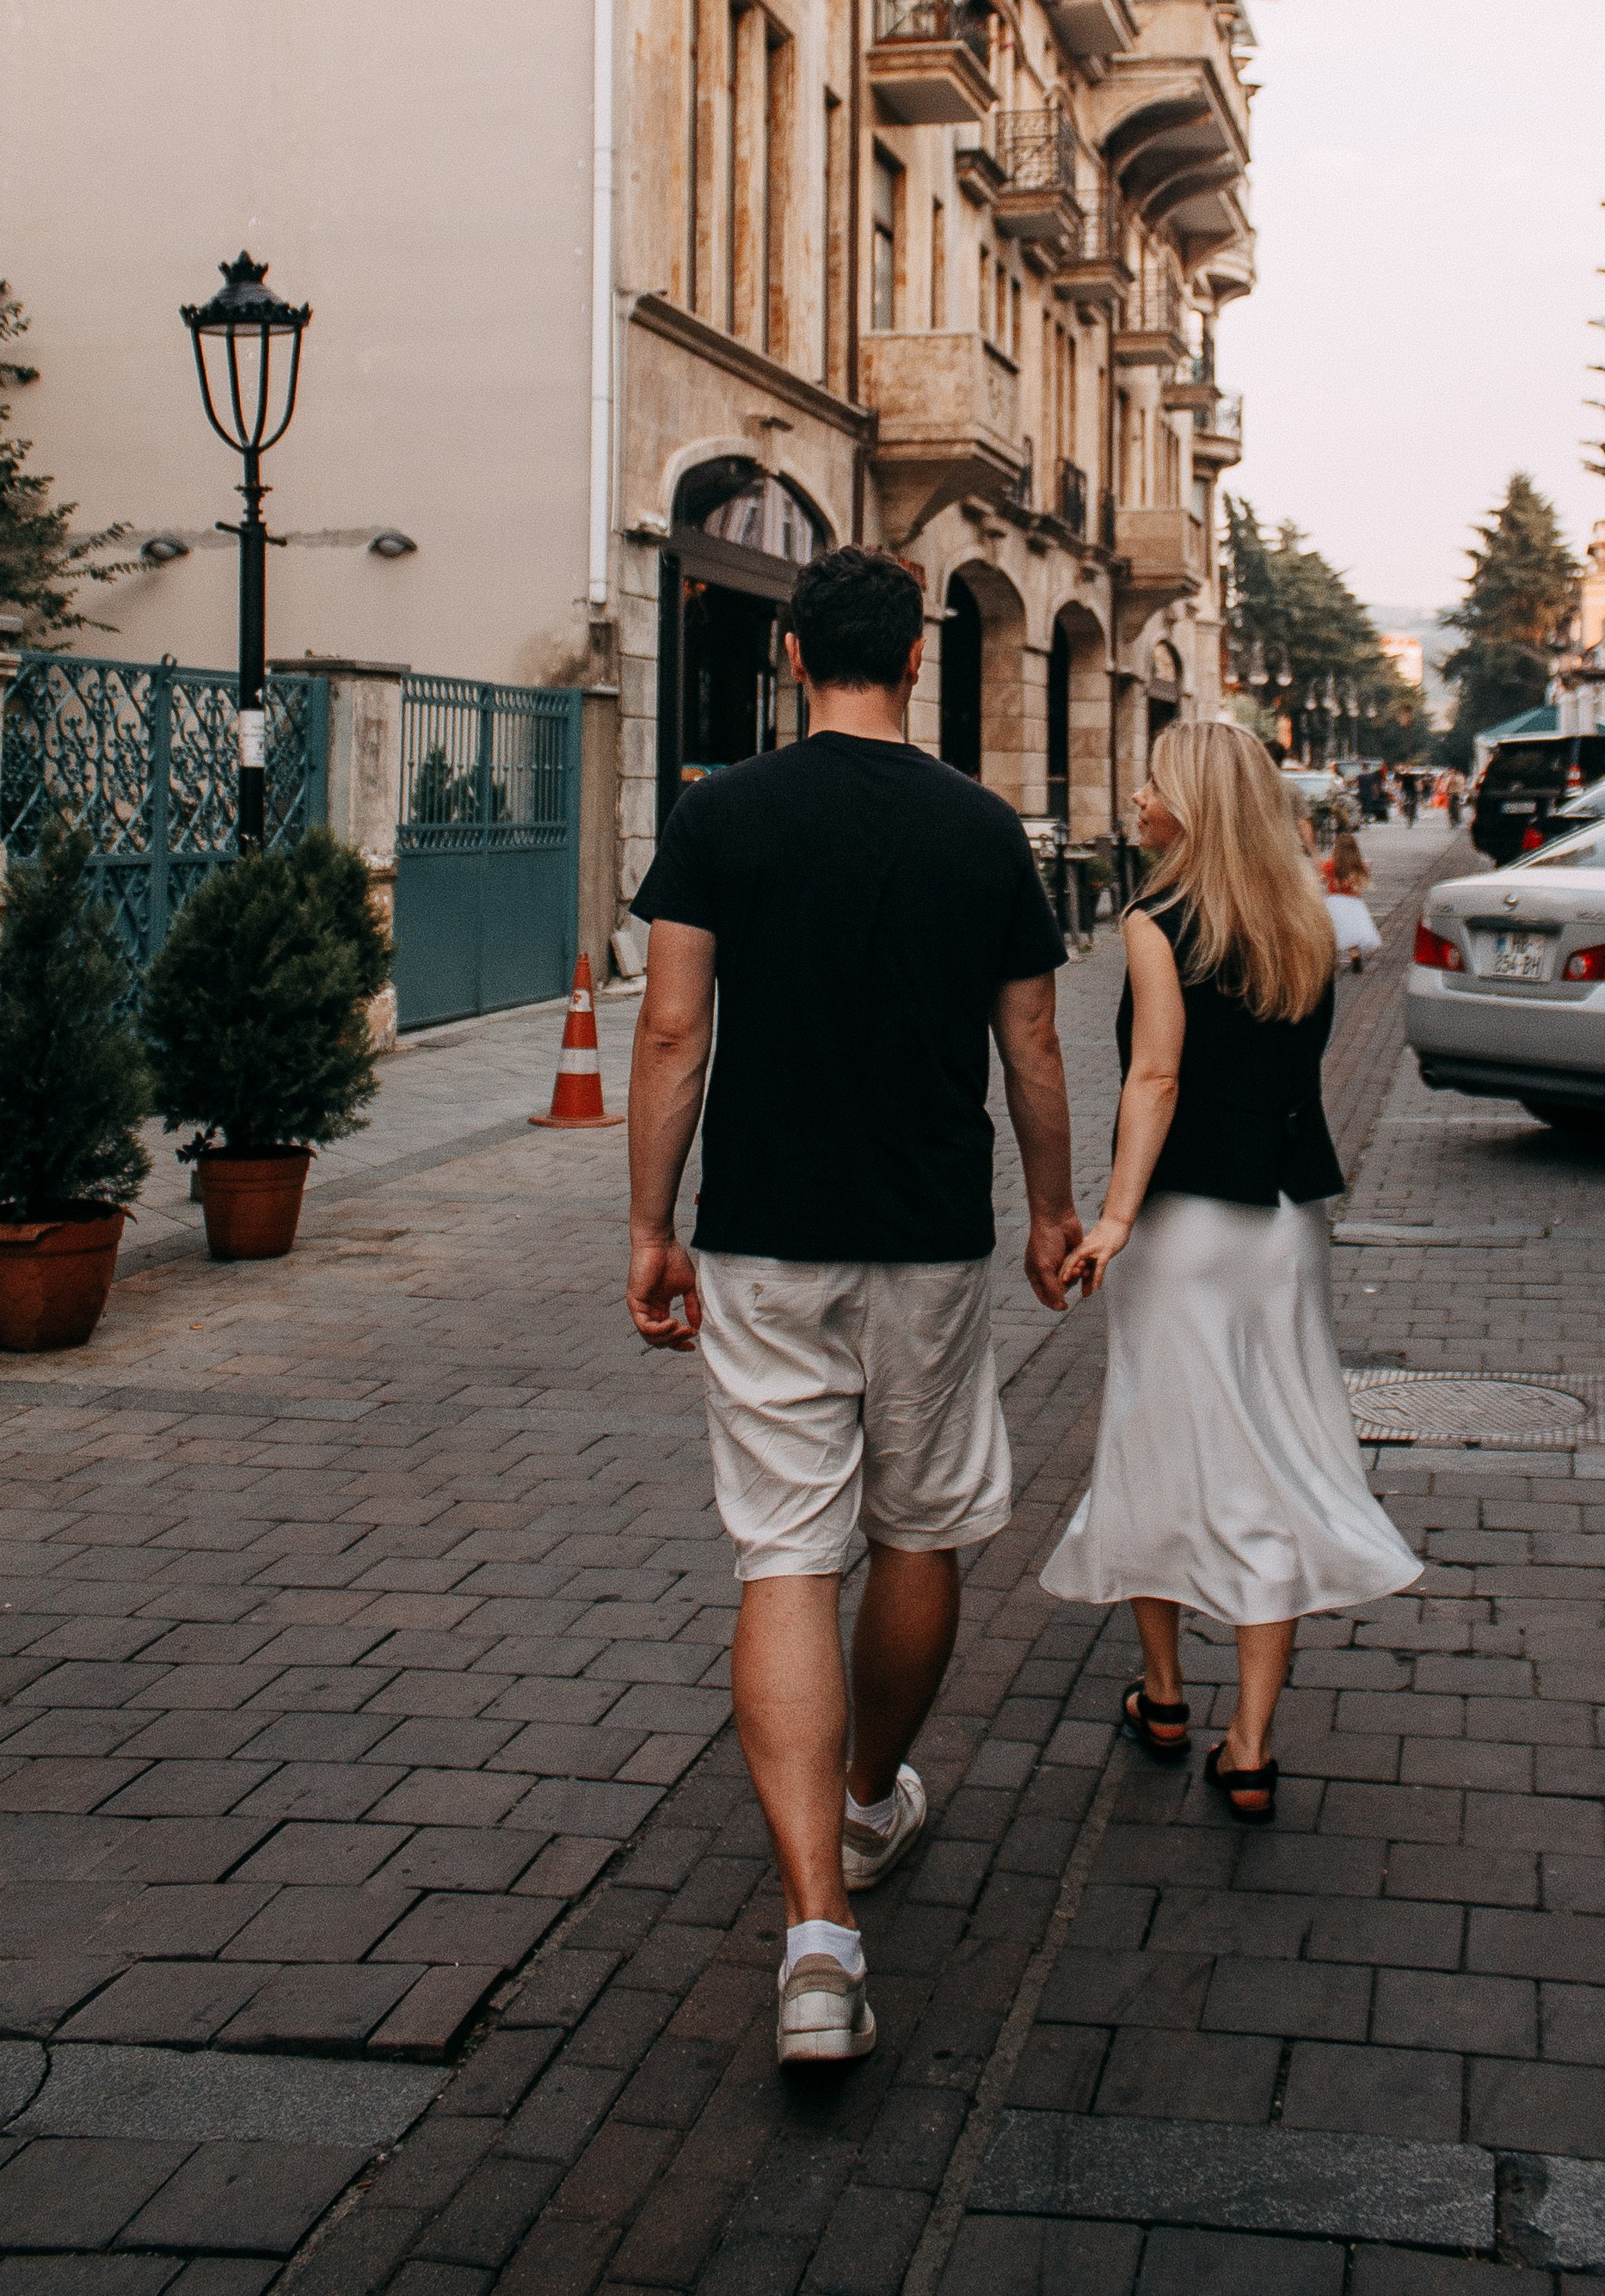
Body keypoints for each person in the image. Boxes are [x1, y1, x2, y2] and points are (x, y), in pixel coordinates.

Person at [624, 545, 1080, 2068]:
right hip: (930, 1234)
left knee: (784, 1548)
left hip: (762, 1234)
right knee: (917, 1525)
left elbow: (672, 1030)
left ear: (794, 655)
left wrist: (650, 1225)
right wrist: (1054, 1210)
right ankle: (872, 1797)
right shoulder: (980, 828)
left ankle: (816, 1939)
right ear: (918, 658)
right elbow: (1032, 1043)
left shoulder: (719, 814)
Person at [1041, 722, 1421, 1822]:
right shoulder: (1302, 915)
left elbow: (1154, 1076)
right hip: (1286, 1221)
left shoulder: (1155, 917)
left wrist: (1114, 1216)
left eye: (1153, 781)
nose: (1137, 795)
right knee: (1273, 1446)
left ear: (1193, 804)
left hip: (1185, 1224)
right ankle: (1247, 1743)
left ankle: (1163, 1695)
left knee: (1156, 1441)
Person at [1321, 826, 1382, 974]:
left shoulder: (1330, 865)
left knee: (1333, 930)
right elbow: (1362, 884)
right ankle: (1354, 955)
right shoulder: (1358, 866)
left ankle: (1331, 961)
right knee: (1351, 931)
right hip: (1353, 902)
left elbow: (1323, 880)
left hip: (1334, 900)